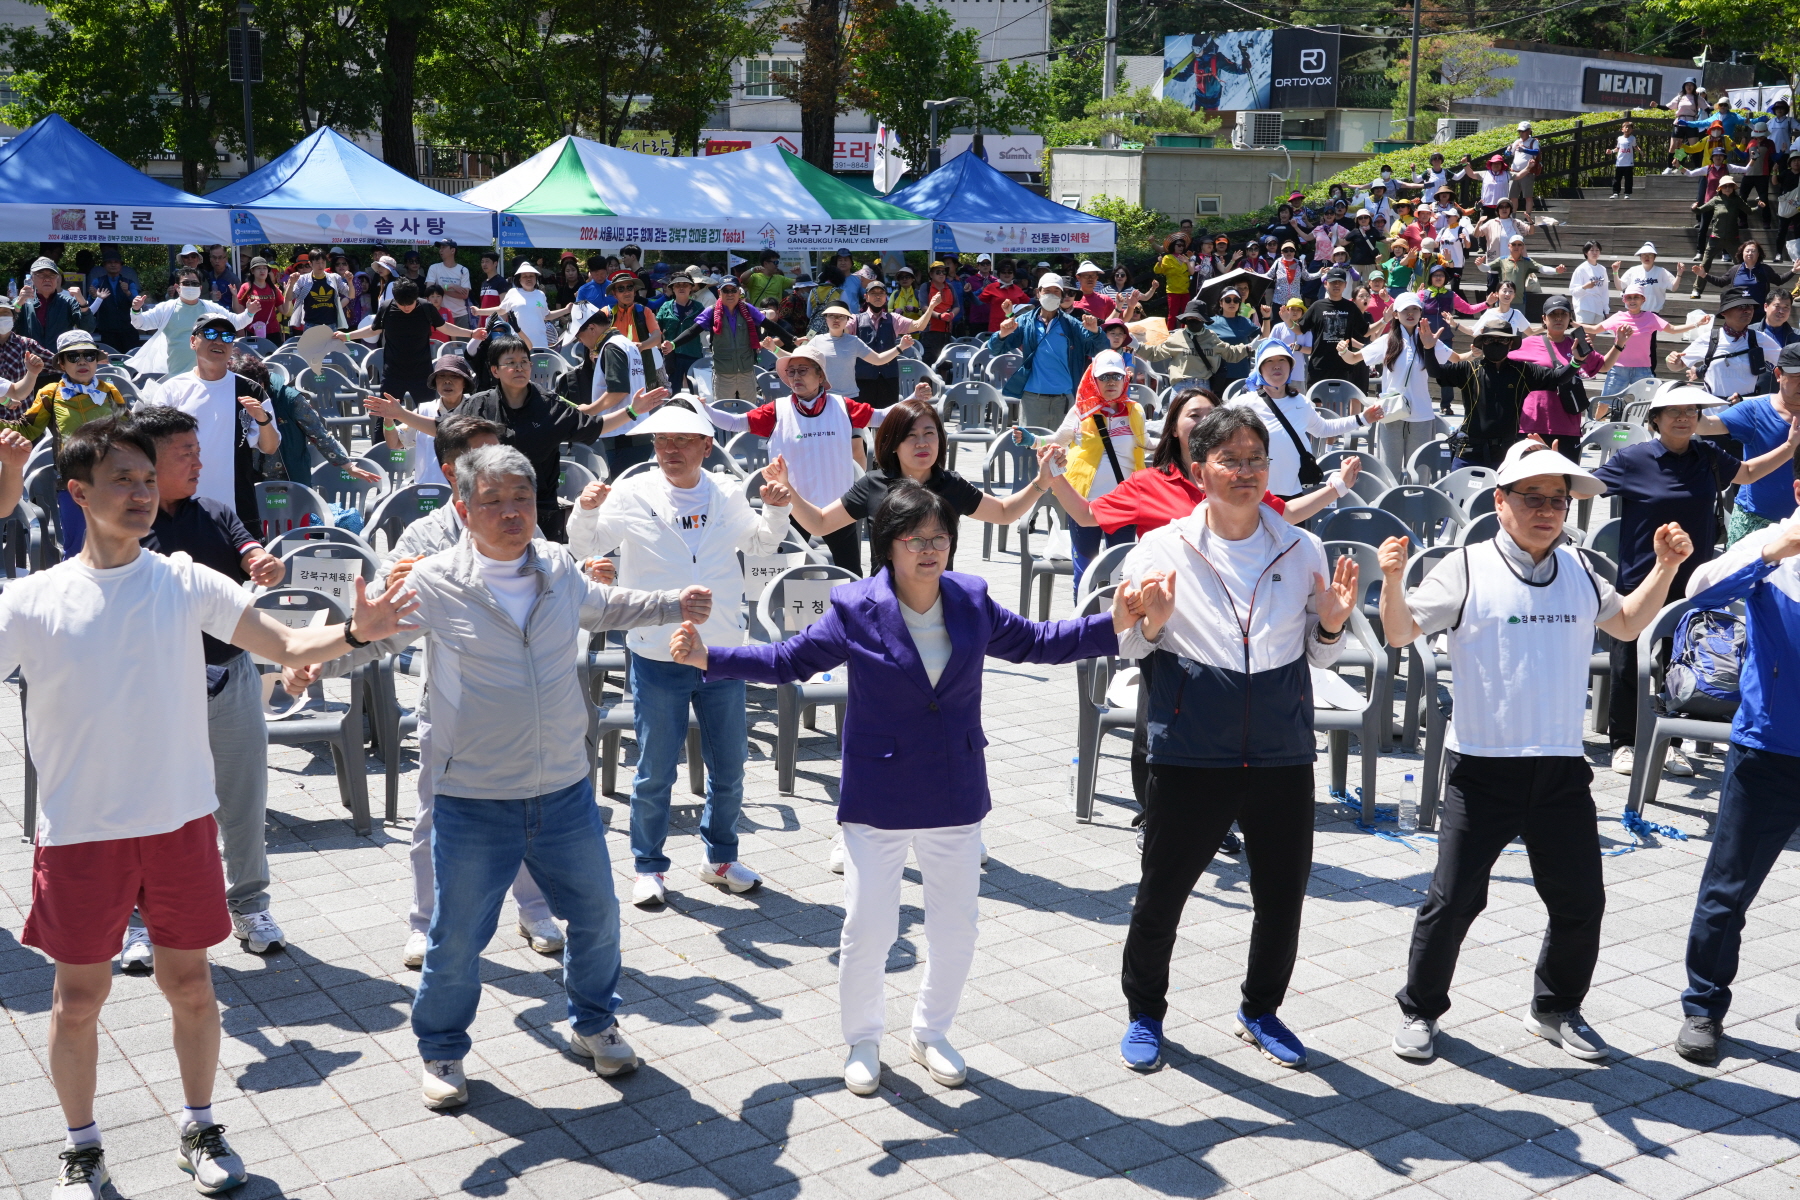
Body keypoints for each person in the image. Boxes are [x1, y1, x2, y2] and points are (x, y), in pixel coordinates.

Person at [12, 417, 418, 1200]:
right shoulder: (34, 599)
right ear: (78, 493)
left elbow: (286, 647)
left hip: (179, 821)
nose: (138, 494)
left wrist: (353, 632)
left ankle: (200, 1123)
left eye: (144, 479)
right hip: (80, 833)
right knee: (77, 1000)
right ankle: (81, 1149)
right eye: (121, 480)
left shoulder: (185, 578)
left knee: (192, 986)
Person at [672, 477, 1130, 1093]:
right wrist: (711, 658)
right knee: (868, 925)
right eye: (913, 539)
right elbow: (789, 660)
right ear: (888, 544)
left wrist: (1114, 623)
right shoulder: (855, 607)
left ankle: (931, 1031)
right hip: (879, 789)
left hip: (955, 788)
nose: (928, 549)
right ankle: (863, 1039)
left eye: (939, 538)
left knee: (956, 924)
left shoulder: (971, 598)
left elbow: (1037, 643)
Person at [306, 443, 707, 1107]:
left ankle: (594, 1025)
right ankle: (441, 1050)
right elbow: (371, 643)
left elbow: (605, 604)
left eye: (520, 497)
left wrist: (674, 603)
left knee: (599, 917)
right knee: (457, 938)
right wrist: (323, 655)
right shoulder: (433, 580)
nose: (509, 512)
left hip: (564, 791)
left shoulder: (554, 565)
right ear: (463, 509)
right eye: (491, 501)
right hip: (473, 797)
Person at [1377, 439, 1693, 1063]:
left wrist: (1664, 568)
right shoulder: (1466, 567)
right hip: (1482, 767)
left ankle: (1556, 1009)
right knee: (1454, 901)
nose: (1548, 511)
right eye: (1533, 498)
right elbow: (1400, 630)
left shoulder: (1579, 568)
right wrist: (1391, 580)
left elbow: (1626, 623)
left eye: (1559, 501)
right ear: (1500, 502)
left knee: (1580, 901)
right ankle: (1420, 1011)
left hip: (1560, 768)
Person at [1113, 405, 1361, 1072]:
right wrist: (1154, 623)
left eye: (1256, 459)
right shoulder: (1162, 546)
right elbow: (1129, 642)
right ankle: (1145, 1011)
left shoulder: (1299, 545)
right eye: (1231, 459)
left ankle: (1260, 1009)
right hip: (1193, 749)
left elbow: (1320, 656)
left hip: (1281, 749)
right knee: (1162, 891)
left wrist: (1333, 626)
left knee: (1282, 894)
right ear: (1201, 471)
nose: (1246, 471)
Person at [347, 415, 563, 967]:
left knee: (528, 810)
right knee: (434, 816)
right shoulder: (423, 534)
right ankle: (426, 921)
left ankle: (534, 909)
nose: (503, 478)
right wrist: (397, 579)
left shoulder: (521, 522)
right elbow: (378, 606)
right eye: (482, 459)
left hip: (521, 701)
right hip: (450, 704)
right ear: (452, 474)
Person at [568, 405, 794, 909]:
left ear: (705, 447)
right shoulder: (634, 492)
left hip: (720, 651)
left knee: (730, 765)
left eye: (683, 441)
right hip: (655, 650)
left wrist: (775, 507)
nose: (670, 450)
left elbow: (762, 544)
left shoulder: (728, 492)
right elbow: (586, 542)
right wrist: (585, 509)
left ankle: (720, 858)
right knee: (655, 768)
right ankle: (648, 866)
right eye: (662, 441)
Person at [130, 403, 291, 966]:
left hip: (230, 676)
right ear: (147, 459)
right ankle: (138, 918)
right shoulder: (126, 523)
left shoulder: (217, 511)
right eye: (185, 453)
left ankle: (249, 903)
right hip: (154, 688)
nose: (198, 462)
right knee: (146, 803)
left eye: (199, 451)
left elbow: (249, 551)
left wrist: (263, 564)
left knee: (244, 800)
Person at [1595, 385, 1798, 783]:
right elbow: (1589, 487)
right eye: (1675, 412)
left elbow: (1749, 472)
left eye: (1691, 411)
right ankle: (1624, 742)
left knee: (1679, 662)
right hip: (1643, 577)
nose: (1684, 417)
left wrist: (1791, 446)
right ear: (1655, 419)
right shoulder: (1633, 458)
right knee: (1628, 662)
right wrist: (1544, 462)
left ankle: (1668, 744)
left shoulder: (1706, 456)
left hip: (1694, 581)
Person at [1672, 464, 1800, 1062]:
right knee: (1729, 888)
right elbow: (1696, 595)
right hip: (1768, 748)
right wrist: (1771, 554)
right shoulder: (1769, 546)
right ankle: (1703, 1006)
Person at [769, 395, 1062, 572]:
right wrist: (788, 490)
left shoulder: (950, 485)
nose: (921, 443)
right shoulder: (874, 484)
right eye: (910, 435)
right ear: (893, 444)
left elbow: (1003, 513)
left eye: (929, 433)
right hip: (885, 602)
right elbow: (820, 524)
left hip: (938, 600)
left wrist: (1041, 481)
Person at [419, 335, 625, 541]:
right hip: (491, 507)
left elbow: (595, 427)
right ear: (495, 370)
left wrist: (632, 411)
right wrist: (399, 414)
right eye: (510, 363)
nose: (519, 368)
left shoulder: (549, 405)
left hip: (540, 510)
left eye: (524, 362)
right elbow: (444, 428)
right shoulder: (479, 405)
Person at [698, 340, 876, 572]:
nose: (795, 377)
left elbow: (883, 417)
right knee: (786, 572)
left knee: (850, 572)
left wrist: (916, 399)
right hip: (790, 507)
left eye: (802, 371)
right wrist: (705, 409)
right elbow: (734, 422)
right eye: (791, 372)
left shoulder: (844, 406)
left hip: (837, 508)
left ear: (821, 376)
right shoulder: (776, 409)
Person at [1430, 311, 1627, 470]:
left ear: (1510, 344)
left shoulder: (1522, 371)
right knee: (1458, 508)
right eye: (1490, 340)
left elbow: (1557, 378)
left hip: (1508, 452)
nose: (1496, 344)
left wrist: (1576, 362)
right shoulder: (1469, 369)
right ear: (1482, 343)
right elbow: (1436, 372)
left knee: (1503, 511)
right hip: (1469, 451)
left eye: (1502, 340)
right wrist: (1428, 349)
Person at [156, 316, 281, 527]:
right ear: (193, 341)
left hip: (236, 506)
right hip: (180, 504)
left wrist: (262, 419)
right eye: (210, 334)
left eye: (227, 336)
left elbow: (270, 447)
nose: (219, 341)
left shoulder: (250, 390)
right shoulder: (171, 390)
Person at [1230, 342, 1379, 498]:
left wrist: (1363, 418)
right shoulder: (1243, 404)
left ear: (1290, 366)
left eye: (1282, 360)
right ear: (1259, 369)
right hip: (1256, 494)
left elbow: (1324, 429)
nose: (1276, 366)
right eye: (1269, 361)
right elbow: (1214, 429)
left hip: (1295, 493)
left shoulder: (1301, 402)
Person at [229, 350, 377, 491]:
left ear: (263, 383)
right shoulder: (228, 399)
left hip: (287, 475)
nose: (250, 394)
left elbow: (319, 434)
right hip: (245, 476)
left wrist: (348, 465)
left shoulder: (290, 399)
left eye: (254, 388)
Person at [1335, 292, 1447, 473]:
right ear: (1395, 314)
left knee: (1421, 470)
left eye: (1414, 309)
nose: (1410, 314)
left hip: (1421, 413)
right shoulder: (1387, 340)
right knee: (1389, 470)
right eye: (1405, 310)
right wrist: (1343, 352)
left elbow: (1457, 358)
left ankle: (1419, 502)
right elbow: (1353, 358)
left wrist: (1475, 353)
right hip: (1390, 412)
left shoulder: (1427, 338)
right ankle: (1389, 501)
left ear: (1420, 313)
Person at [987, 273, 1105, 429]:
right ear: (1038, 293)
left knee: (1063, 450)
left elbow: (1101, 351)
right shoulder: (1024, 321)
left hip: (1064, 399)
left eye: (1056, 291)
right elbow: (995, 349)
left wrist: (1096, 332)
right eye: (1047, 290)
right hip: (1032, 398)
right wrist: (1002, 334)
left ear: (1062, 295)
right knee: (1031, 448)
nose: (1051, 294)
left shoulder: (1073, 324)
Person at [1506, 295, 1611, 453]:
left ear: (1570, 318)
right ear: (1544, 318)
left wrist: (1619, 344)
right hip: (1533, 423)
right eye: (1553, 314)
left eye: (1563, 314)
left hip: (1567, 425)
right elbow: (1501, 362)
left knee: (1566, 477)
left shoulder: (1577, 345)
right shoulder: (1527, 344)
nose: (1558, 318)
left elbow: (1603, 366)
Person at [663, 277, 790, 402]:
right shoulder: (711, 311)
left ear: (739, 292)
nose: (730, 294)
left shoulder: (748, 309)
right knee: (724, 413)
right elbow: (692, 331)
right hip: (723, 375)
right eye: (726, 291)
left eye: (733, 290)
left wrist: (793, 339)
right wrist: (673, 344)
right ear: (719, 293)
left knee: (749, 412)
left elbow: (770, 325)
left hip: (746, 372)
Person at [1591, 281, 1710, 396]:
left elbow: (1673, 329)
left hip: (1642, 369)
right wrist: (1573, 324)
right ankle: (1598, 418)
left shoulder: (1651, 317)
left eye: (1636, 297)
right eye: (1629, 297)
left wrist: (1697, 324)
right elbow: (1595, 329)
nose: (1632, 300)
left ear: (1643, 299)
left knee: (1647, 404)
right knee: (1605, 403)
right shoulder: (1618, 316)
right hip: (1618, 368)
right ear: (1624, 300)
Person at [129, 268, 249, 379]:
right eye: (186, 283)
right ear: (177, 287)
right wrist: (136, 310)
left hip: (208, 377)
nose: (191, 286)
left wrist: (250, 312)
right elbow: (141, 324)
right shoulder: (166, 308)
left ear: (200, 288)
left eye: (195, 283)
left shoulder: (211, 307)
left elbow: (236, 323)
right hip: (177, 375)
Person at [343, 277, 445, 404]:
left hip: (422, 374)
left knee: (427, 414)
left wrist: (471, 333)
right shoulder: (387, 308)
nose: (406, 308)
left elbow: (444, 326)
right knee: (385, 417)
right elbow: (374, 329)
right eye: (402, 304)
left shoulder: (426, 307)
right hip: (393, 374)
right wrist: (347, 336)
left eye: (410, 304)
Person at [1679, 287, 1783, 399]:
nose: (1747, 310)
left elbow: (1786, 361)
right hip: (1713, 411)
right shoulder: (1709, 339)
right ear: (1724, 311)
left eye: (1750, 306)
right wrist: (1670, 360)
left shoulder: (1760, 339)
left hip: (1746, 410)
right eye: (1741, 306)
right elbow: (1677, 365)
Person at [851, 278, 939, 409]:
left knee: (888, 419)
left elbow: (919, 325)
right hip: (863, 378)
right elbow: (840, 331)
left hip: (889, 377)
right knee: (863, 421)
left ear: (886, 297)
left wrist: (931, 306)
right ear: (866, 297)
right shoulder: (855, 319)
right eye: (873, 293)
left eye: (881, 293)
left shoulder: (893, 319)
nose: (877, 296)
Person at [804, 304, 914, 400]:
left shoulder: (854, 341)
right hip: (823, 397)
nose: (836, 320)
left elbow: (878, 360)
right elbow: (796, 359)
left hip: (850, 398)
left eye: (841, 317)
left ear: (847, 320)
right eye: (832, 316)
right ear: (826, 319)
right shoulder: (816, 341)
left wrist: (900, 347)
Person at [1137, 297, 1255, 386]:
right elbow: (1156, 353)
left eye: (1197, 318)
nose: (1194, 321)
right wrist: (1136, 345)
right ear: (1186, 319)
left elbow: (1230, 353)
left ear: (1203, 320)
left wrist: (1249, 348)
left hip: (1203, 385)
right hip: (1180, 385)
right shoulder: (1177, 336)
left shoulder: (1211, 337)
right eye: (1191, 318)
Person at [1301, 267, 1372, 391]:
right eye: (1333, 282)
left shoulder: (1351, 307)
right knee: (1316, 405)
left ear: (1345, 285)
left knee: (1339, 405)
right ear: (1325, 284)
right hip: (1319, 365)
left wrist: (1384, 320)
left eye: (1340, 282)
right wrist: (1287, 320)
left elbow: (1365, 331)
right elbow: (1300, 328)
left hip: (1342, 366)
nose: (1336, 285)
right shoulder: (1317, 306)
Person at [472, 261, 570, 349]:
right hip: (519, 343)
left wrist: (566, 309)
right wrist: (478, 311)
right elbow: (501, 310)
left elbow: (547, 315)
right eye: (525, 276)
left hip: (541, 342)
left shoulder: (541, 294)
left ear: (536, 278)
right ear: (519, 279)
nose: (528, 279)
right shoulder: (513, 292)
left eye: (531, 276)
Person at [1692, 177, 1763, 294]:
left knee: (1741, 265)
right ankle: (1697, 289)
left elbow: (1749, 211)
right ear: (1720, 188)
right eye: (1725, 186)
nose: (1728, 188)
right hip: (1715, 239)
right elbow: (1700, 210)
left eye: (1730, 186)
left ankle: (1743, 289)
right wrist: (1694, 208)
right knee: (1705, 264)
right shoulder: (1715, 200)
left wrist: (1759, 207)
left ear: (1733, 188)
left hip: (1732, 239)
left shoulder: (1737, 200)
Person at [1696, 238, 1797, 311]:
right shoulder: (1735, 269)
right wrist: (1704, 274)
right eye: (1747, 251)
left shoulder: (1765, 269)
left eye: (1753, 251)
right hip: (1738, 312)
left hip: (1759, 312)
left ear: (1758, 254)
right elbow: (1721, 282)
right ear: (1742, 253)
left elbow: (1779, 280)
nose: (1750, 253)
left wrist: (1793, 271)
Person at [18, 256, 91, 349]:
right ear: (31, 278)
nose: (47, 279)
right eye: (41, 274)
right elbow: (7, 330)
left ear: (57, 279)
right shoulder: (22, 301)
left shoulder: (68, 302)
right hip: (29, 359)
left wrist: (83, 303)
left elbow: (88, 328)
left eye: (52, 275)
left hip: (59, 359)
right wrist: (18, 304)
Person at [655, 273, 706, 393]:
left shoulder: (699, 307)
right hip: (671, 356)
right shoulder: (665, 306)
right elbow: (656, 329)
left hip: (693, 353)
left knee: (696, 390)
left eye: (685, 285)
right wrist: (660, 343)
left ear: (691, 288)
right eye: (677, 285)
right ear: (672, 288)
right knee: (671, 390)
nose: (681, 288)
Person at [87, 247, 140, 352]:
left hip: (129, 329)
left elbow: (137, 303)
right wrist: (94, 296)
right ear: (104, 266)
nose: (113, 264)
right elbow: (89, 309)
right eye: (109, 262)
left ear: (121, 266)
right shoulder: (98, 282)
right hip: (107, 329)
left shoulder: (129, 283)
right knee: (110, 360)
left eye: (116, 262)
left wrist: (127, 292)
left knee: (131, 360)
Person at [284, 252, 350, 332]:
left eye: (323, 262)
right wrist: (291, 284)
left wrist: (350, 282)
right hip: (310, 324)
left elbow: (351, 295)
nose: (321, 265)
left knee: (331, 344)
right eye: (300, 266)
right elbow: (289, 298)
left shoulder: (333, 278)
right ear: (311, 264)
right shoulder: (302, 279)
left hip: (331, 323)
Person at [234, 257, 285, 343]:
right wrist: (233, 296)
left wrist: (289, 288)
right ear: (252, 271)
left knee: (273, 355)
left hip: (273, 330)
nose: (262, 271)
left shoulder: (273, 288)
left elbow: (284, 310)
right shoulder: (246, 287)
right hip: (251, 330)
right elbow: (238, 311)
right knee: (252, 356)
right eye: (258, 268)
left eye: (264, 268)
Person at [1569, 241, 1611, 326]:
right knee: (1584, 337)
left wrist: (1606, 310)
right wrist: (1585, 287)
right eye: (1592, 250)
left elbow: (1605, 291)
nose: (1595, 253)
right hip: (1585, 307)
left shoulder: (1602, 269)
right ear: (1586, 252)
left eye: (1597, 250)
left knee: (1592, 337)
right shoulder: (1581, 269)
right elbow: (1573, 291)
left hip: (1598, 308)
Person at [1609, 120, 1639, 199]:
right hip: (1620, 162)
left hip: (1628, 163)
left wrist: (1641, 152)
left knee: (1628, 179)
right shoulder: (1620, 138)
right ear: (1622, 129)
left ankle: (1627, 193)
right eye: (1626, 127)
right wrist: (1611, 151)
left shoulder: (1632, 138)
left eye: (1629, 128)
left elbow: (1635, 146)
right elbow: (1618, 148)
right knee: (1617, 179)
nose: (1627, 129)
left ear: (1632, 130)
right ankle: (1616, 193)